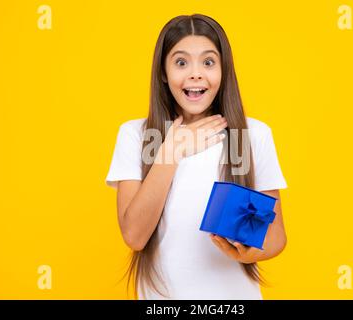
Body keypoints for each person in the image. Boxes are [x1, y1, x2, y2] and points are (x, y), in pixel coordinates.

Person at [106, 14, 288, 299]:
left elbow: (276, 237)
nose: (196, 73)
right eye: (181, 62)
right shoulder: (136, 134)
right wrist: (171, 151)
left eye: (208, 62)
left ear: (223, 70)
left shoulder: (251, 134)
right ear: (164, 73)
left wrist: (243, 253)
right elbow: (135, 236)